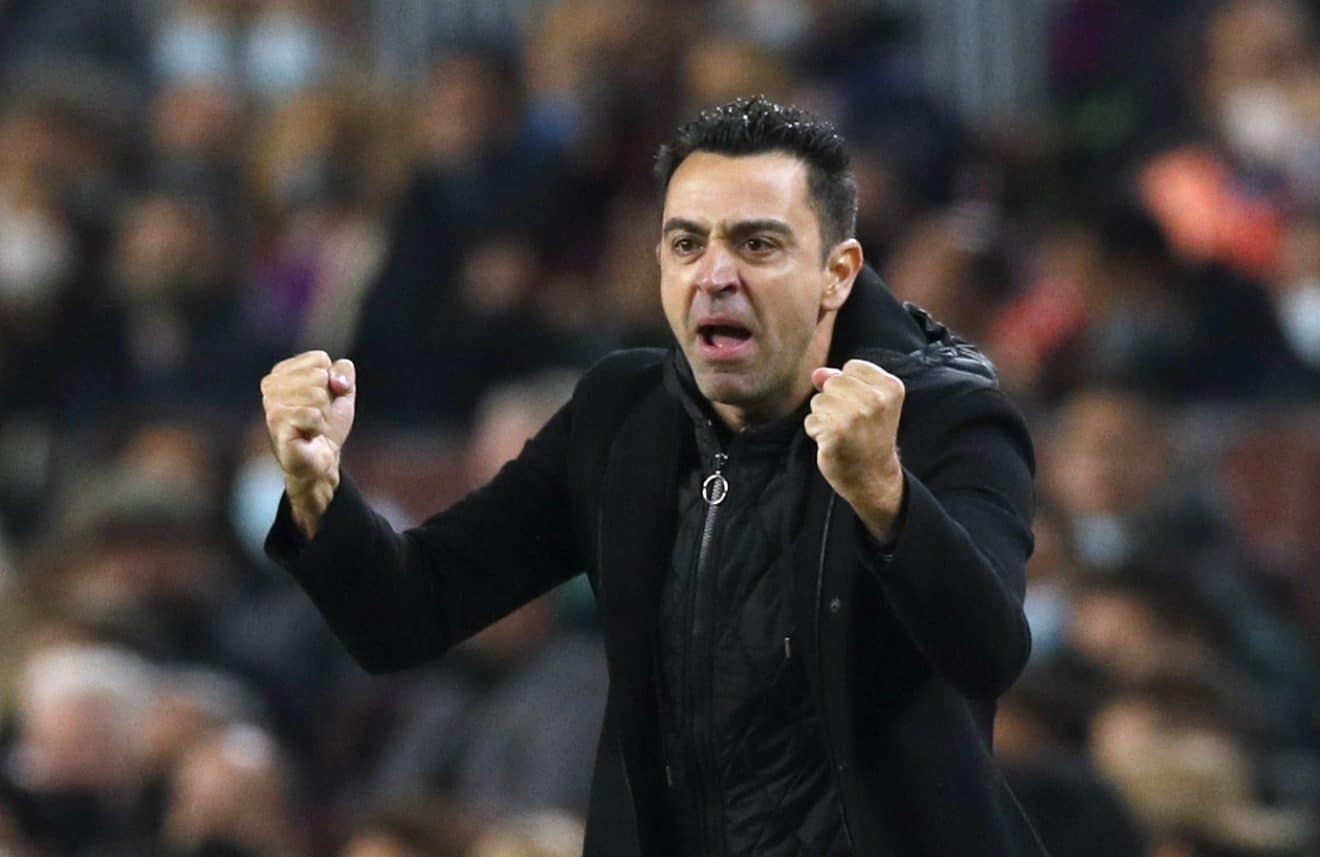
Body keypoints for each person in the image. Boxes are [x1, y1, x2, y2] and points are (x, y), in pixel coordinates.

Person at [261, 96, 1041, 857]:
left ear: (836, 273)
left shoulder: (942, 417)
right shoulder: (622, 416)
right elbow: (410, 610)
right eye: (686, 243)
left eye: (758, 244)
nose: (715, 274)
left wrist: (885, 496)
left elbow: (989, 650)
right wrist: (319, 493)